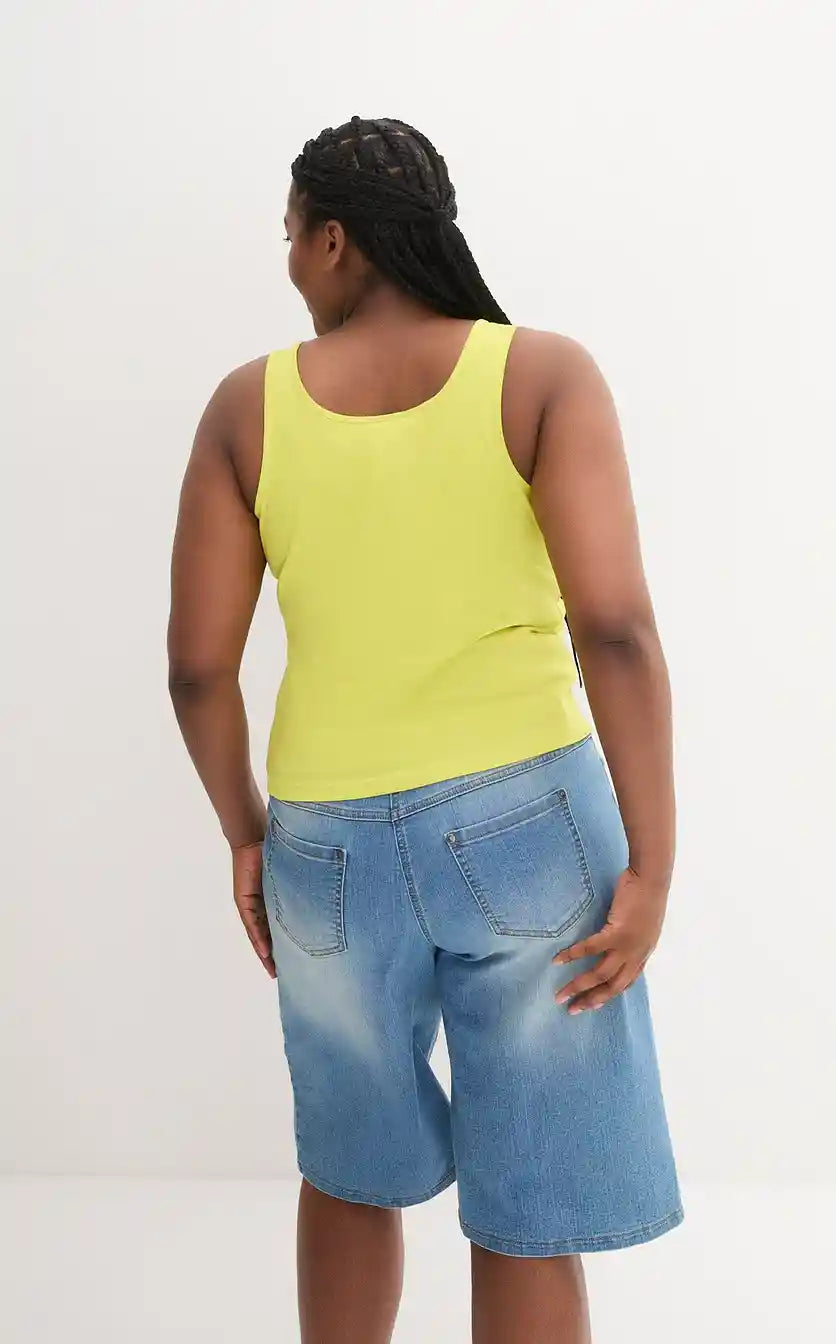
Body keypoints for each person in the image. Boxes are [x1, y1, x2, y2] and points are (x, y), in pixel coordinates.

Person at [167, 114, 684, 1344]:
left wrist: (246, 833)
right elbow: (614, 628)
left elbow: (196, 669)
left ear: (334, 240)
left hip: (325, 844)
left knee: (352, 1170)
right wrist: (654, 866)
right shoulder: (542, 376)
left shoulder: (249, 410)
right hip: (531, 827)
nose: (289, 263)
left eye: (291, 235)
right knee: (530, 1204)